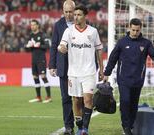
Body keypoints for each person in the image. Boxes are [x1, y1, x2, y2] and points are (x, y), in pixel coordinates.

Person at [103, 18, 154, 135]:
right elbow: (112, 59)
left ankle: (129, 126)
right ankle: (126, 127)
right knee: (125, 101)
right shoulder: (122, 42)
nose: (135, 32)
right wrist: (107, 73)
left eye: (137, 30)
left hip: (138, 80)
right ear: (129, 28)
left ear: (140, 29)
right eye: (133, 30)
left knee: (133, 104)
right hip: (123, 80)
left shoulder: (146, 43)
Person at [58, 5, 104, 135]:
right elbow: (61, 45)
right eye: (75, 14)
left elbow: (99, 50)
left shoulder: (93, 32)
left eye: (79, 15)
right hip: (73, 73)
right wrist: (61, 48)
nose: (75, 17)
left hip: (89, 72)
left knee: (88, 100)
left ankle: (85, 129)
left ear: (85, 16)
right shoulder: (69, 31)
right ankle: (79, 126)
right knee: (76, 101)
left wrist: (101, 69)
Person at [49, 0, 75, 134]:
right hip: (63, 67)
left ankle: (81, 123)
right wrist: (52, 65)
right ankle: (68, 126)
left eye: (71, 12)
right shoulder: (58, 25)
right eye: (66, 12)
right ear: (63, 11)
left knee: (79, 98)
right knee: (65, 98)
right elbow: (54, 45)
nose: (69, 14)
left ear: (75, 11)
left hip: (78, 67)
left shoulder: (82, 24)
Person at [25, 19, 52, 103]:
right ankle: (38, 97)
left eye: (33, 25)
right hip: (34, 60)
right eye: (31, 25)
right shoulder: (30, 36)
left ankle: (48, 97)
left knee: (43, 76)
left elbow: (48, 45)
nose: (32, 26)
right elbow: (27, 50)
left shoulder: (43, 35)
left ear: (37, 26)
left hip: (41, 59)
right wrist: (28, 46)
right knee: (35, 77)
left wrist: (39, 45)